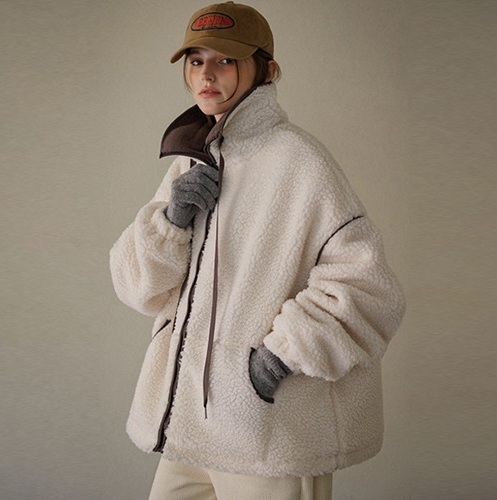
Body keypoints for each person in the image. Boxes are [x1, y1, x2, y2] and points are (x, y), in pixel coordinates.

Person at [109, 2, 406, 499]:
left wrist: (273, 363)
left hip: (269, 430)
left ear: (267, 70)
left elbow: (369, 287)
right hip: (190, 424)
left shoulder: (299, 159)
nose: (207, 74)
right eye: (196, 60)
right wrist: (169, 223)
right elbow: (137, 287)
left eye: (225, 60)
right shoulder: (191, 161)